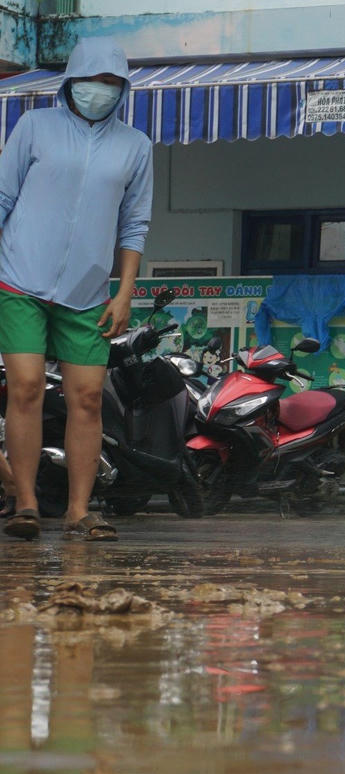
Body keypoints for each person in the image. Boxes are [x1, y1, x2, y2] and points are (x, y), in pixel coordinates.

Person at [0, 36, 152, 542]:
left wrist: (125, 291)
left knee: (86, 398)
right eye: (93, 81)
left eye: (112, 83)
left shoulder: (135, 145)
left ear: (124, 89)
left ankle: (80, 510)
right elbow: (3, 196)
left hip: (90, 293)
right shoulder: (34, 127)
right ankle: (24, 504)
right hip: (19, 278)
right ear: (71, 82)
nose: (101, 91)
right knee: (24, 388)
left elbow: (134, 225)